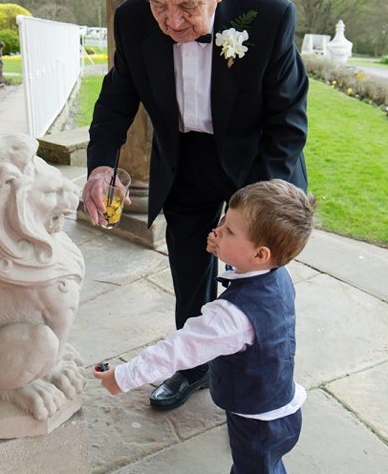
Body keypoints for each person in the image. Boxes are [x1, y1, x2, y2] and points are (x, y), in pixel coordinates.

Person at [81, 0, 308, 410]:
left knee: (256, 275)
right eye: (159, 4)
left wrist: (251, 209)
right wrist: (101, 166)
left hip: (257, 160)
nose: (172, 22)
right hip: (184, 159)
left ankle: (261, 371)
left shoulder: (268, 16)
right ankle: (193, 365)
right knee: (189, 269)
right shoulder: (132, 18)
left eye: (188, 5)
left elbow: (288, 123)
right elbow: (116, 98)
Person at [94, 179, 316, 474]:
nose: (217, 229)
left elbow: (177, 350)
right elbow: (248, 267)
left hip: (256, 424)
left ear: (260, 254)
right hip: (281, 410)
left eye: (230, 230)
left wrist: (121, 377)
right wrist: (228, 251)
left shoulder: (232, 315)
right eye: (224, 219)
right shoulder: (278, 274)